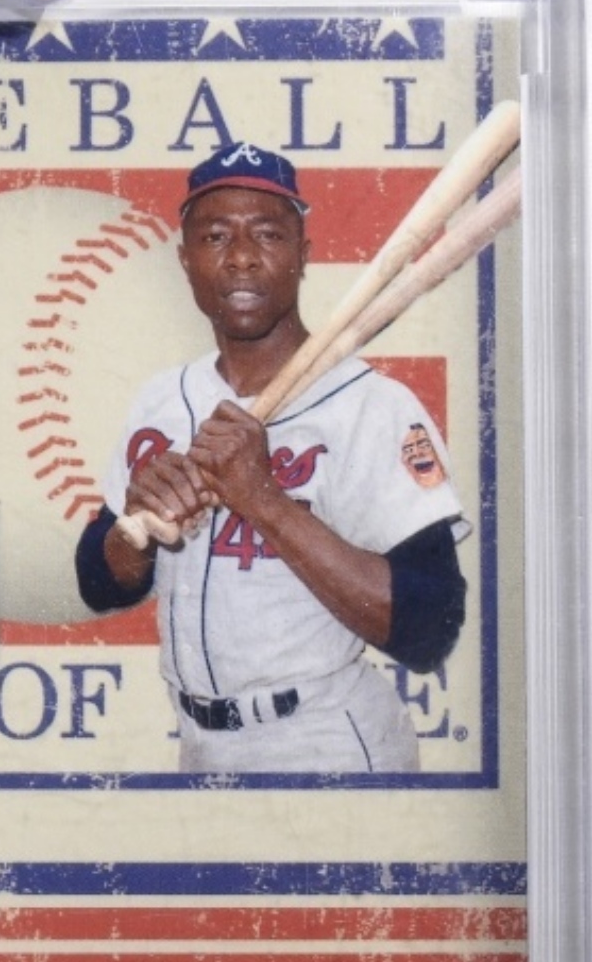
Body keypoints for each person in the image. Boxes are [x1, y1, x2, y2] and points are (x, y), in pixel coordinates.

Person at [74, 139, 469, 775]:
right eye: (215, 237)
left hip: (326, 741)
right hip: (198, 747)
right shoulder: (162, 399)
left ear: (302, 255)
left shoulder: (373, 407)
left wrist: (261, 499)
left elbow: (430, 627)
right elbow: (97, 580)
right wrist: (135, 534)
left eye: (267, 234)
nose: (241, 257)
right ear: (185, 259)